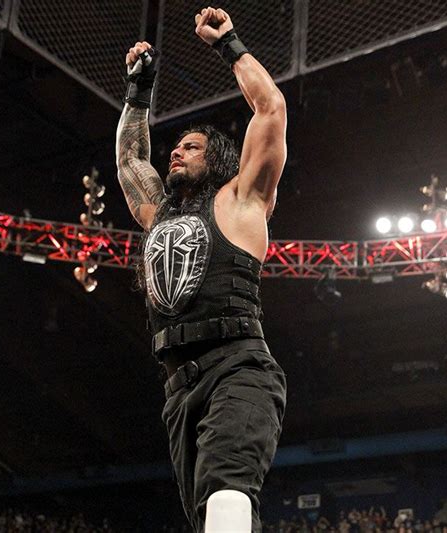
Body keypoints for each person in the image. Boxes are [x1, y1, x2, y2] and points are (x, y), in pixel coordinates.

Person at [116, 7, 287, 532]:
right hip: (178, 391)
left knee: (226, 489)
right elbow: (130, 161)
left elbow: (271, 108)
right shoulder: (157, 213)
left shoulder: (242, 198)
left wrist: (228, 43)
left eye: (190, 148)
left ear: (217, 160)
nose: (176, 153)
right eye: (175, 147)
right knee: (212, 516)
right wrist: (137, 93)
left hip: (238, 367)